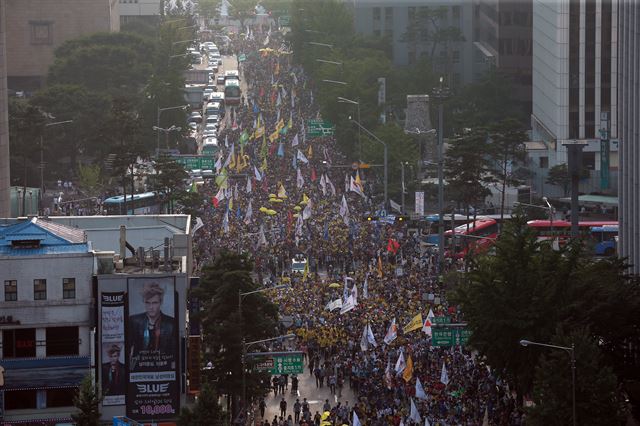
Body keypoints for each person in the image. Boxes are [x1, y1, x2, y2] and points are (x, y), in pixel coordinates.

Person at [129, 282, 175, 359]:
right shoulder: (134, 321)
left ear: (161, 302)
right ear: (144, 302)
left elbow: (174, 352)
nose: (151, 307)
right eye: (148, 303)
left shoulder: (171, 324)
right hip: (140, 367)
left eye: (154, 303)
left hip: (164, 366)